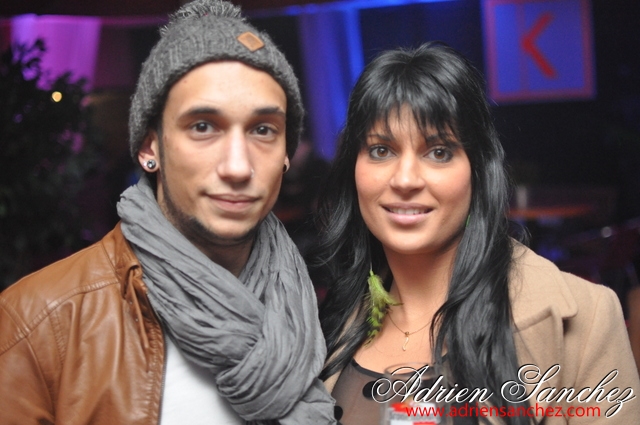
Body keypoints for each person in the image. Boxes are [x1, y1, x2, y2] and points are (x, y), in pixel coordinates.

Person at [0, 1, 336, 424]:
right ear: (150, 147)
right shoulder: (39, 323)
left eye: (263, 129)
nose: (237, 166)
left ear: (286, 154)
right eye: (203, 126)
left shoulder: (326, 313)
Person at [314, 42, 640, 424]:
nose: (405, 180)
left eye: (439, 152)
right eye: (381, 150)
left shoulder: (587, 319)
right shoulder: (323, 323)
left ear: (478, 170)